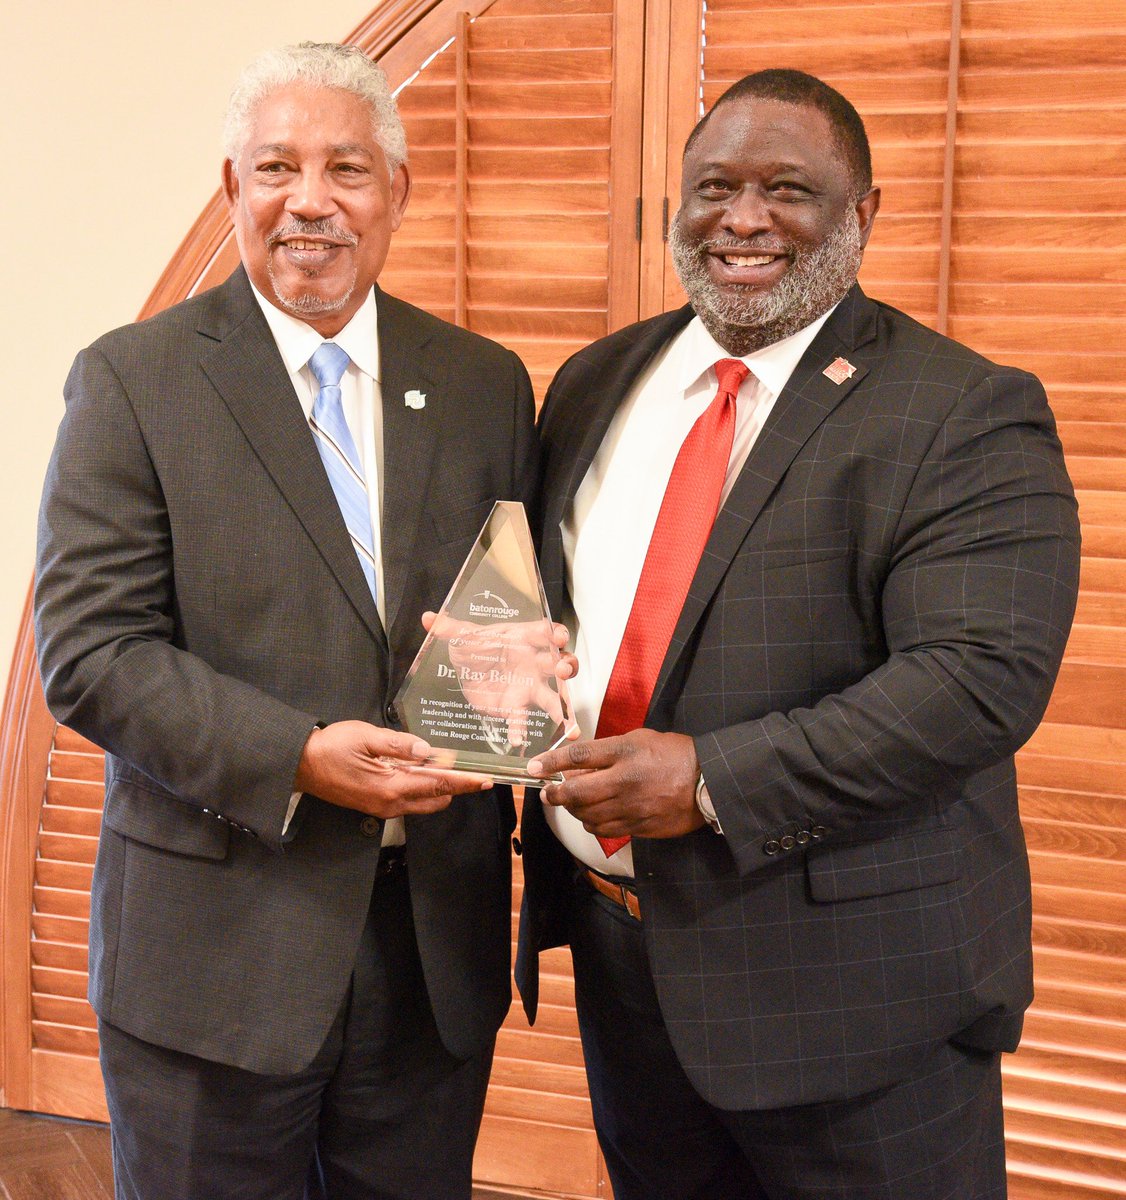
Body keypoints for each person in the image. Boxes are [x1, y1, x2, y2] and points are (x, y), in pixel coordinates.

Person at [517, 69, 1081, 1200]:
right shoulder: (593, 383)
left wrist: (711, 780)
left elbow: (975, 683)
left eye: (789, 189)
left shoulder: (961, 410)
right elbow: (554, 617)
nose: (742, 219)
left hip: (854, 1007)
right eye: (713, 186)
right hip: (628, 967)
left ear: (863, 213)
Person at [35, 42, 540, 1200]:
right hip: (216, 956)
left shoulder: (481, 382)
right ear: (232, 190)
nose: (309, 200)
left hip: (427, 961)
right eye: (276, 167)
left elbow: (505, 609)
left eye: (347, 168)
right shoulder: (133, 381)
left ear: (398, 193)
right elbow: (92, 653)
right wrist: (300, 760)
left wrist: (525, 672)